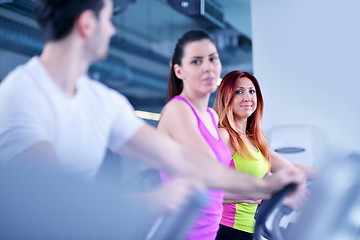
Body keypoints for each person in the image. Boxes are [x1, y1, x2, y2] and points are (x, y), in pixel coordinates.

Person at [0, 0, 303, 227]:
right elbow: (53, 202)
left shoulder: (101, 101)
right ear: (87, 25)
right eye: (108, 19)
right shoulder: (22, 95)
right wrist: (152, 201)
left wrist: (266, 186)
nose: (112, 29)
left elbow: (179, 157)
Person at [156, 30, 305, 240]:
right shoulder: (179, 110)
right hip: (197, 232)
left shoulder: (209, 116)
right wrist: (262, 188)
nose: (207, 67)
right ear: (179, 71)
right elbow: (207, 176)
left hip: (214, 231)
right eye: (196, 61)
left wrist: (273, 185)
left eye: (213, 58)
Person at [214, 70, 316, 240]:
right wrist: (251, 193)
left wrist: (328, 173)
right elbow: (203, 185)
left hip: (251, 230)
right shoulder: (223, 135)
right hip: (227, 230)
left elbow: (291, 168)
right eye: (239, 91)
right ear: (226, 97)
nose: (247, 97)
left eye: (251, 91)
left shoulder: (254, 141)